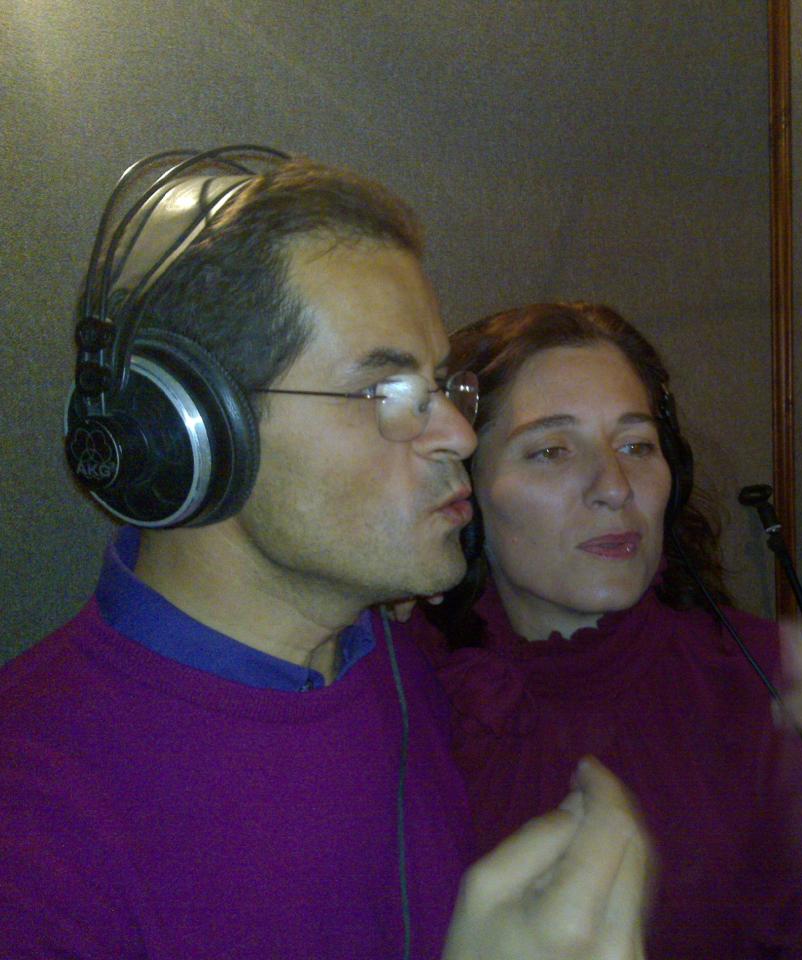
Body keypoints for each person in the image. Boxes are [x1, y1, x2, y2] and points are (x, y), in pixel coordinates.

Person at [0, 152, 650, 960]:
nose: (457, 433)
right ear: (195, 431)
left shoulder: (395, 668)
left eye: (442, 387)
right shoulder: (33, 831)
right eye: (389, 393)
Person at [411, 301, 802, 958]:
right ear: (465, 493)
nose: (615, 487)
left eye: (636, 446)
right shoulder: (402, 696)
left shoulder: (771, 679)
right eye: (552, 451)